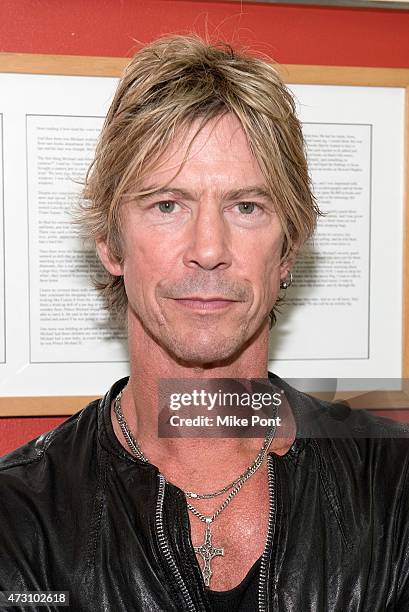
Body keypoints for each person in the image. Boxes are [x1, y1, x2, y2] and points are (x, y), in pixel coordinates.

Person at [1, 34, 409, 612]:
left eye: (247, 207)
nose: (209, 249)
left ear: (288, 248)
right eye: (168, 205)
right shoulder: (21, 515)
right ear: (111, 244)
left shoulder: (392, 484)